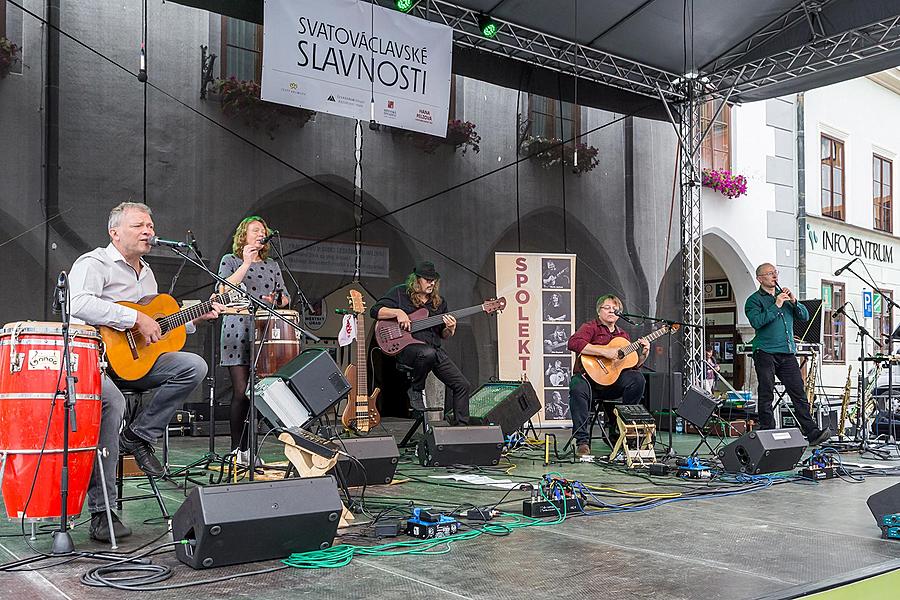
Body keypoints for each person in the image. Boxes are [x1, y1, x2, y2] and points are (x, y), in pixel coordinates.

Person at [69, 202, 223, 542]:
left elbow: (155, 327)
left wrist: (193, 318)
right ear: (115, 232)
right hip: (94, 362)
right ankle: (102, 511)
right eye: (139, 225)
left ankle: (139, 435)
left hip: (135, 365)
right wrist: (133, 318)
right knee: (112, 404)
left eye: (150, 226)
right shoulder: (94, 263)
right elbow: (77, 303)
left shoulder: (146, 272)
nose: (148, 231)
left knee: (193, 365)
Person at [218, 216, 289, 465]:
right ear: (244, 236)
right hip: (237, 332)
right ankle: (238, 450)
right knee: (241, 392)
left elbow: (285, 298)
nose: (261, 233)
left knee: (258, 394)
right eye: (255, 230)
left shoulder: (272, 265)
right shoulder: (231, 260)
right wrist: (247, 262)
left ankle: (252, 450)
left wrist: (276, 300)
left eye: (263, 230)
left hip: (264, 333)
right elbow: (224, 289)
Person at [370, 261, 470, 425]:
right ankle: (416, 389)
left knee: (462, 385)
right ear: (416, 280)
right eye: (427, 279)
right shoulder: (400, 293)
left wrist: (450, 329)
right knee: (426, 353)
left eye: (434, 280)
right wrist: (398, 312)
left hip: (433, 350)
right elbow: (375, 311)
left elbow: (442, 334)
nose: (432, 283)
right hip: (408, 349)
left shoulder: (439, 303)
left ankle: (461, 430)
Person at [745, 263, 831, 446]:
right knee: (766, 391)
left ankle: (812, 432)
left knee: (798, 392)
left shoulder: (784, 297)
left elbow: (804, 316)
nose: (774, 276)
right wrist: (776, 305)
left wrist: (794, 301)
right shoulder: (754, 300)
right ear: (760, 278)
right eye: (769, 273)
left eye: (775, 272)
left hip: (787, 352)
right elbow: (757, 322)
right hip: (765, 351)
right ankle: (768, 430)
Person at [567, 294, 650, 456]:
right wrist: (605, 352)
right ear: (599, 311)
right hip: (589, 381)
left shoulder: (623, 336)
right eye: (607, 308)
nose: (612, 311)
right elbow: (574, 343)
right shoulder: (590, 327)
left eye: (615, 309)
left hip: (612, 383)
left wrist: (644, 354)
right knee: (577, 387)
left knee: (637, 379)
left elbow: (632, 365)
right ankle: (582, 441)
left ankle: (621, 430)